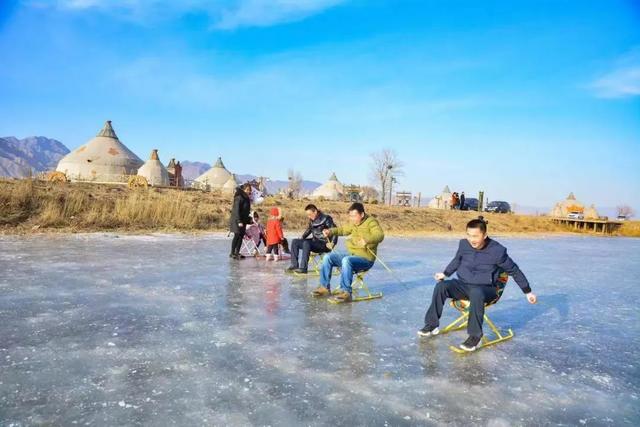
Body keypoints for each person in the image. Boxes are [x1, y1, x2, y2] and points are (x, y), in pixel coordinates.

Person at [418, 216, 537, 352]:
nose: (471, 239)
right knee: (441, 286)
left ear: (484, 235)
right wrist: (445, 274)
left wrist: (527, 291)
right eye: (469, 235)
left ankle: (475, 337)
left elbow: (514, 270)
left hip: (487, 289)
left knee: (476, 292)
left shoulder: (497, 251)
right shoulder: (464, 244)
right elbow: (456, 260)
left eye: (475, 236)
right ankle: (432, 325)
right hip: (464, 285)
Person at [311, 203, 385, 303]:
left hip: (366, 259)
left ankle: (346, 292)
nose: (352, 218)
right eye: (350, 216)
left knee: (347, 260)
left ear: (362, 214)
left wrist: (367, 240)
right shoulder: (353, 224)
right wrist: (330, 231)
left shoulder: (371, 222)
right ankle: (324, 287)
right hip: (352, 256)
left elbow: (379, 235)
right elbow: (343, 230)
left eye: (354, 216)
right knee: (327, 257)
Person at [285, 204, 337, 274]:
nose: (308, 216)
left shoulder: (326, 218)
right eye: (307, 215)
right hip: (314, 242)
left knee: (306, 243)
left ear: (315, 211)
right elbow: (309, 230)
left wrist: (333, 243)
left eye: (310, 214)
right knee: (295, 241)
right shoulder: (312, 220)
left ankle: (303, 268)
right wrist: (302, 237)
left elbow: (335, 230)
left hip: (324, 244)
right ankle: (294, 265)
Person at [229, 183, 252, 259]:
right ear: (244, 189)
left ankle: (237, 252)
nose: (249, 191)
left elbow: (245, 211)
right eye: (247, 189)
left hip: (243, 220)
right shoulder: (239, 197)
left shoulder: (246, 198)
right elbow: (236, 210)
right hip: (237, 220)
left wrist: (249, 219)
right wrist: (239, 221)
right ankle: (232, 253)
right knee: (237, 235)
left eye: (250, 190)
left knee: (241, 236)